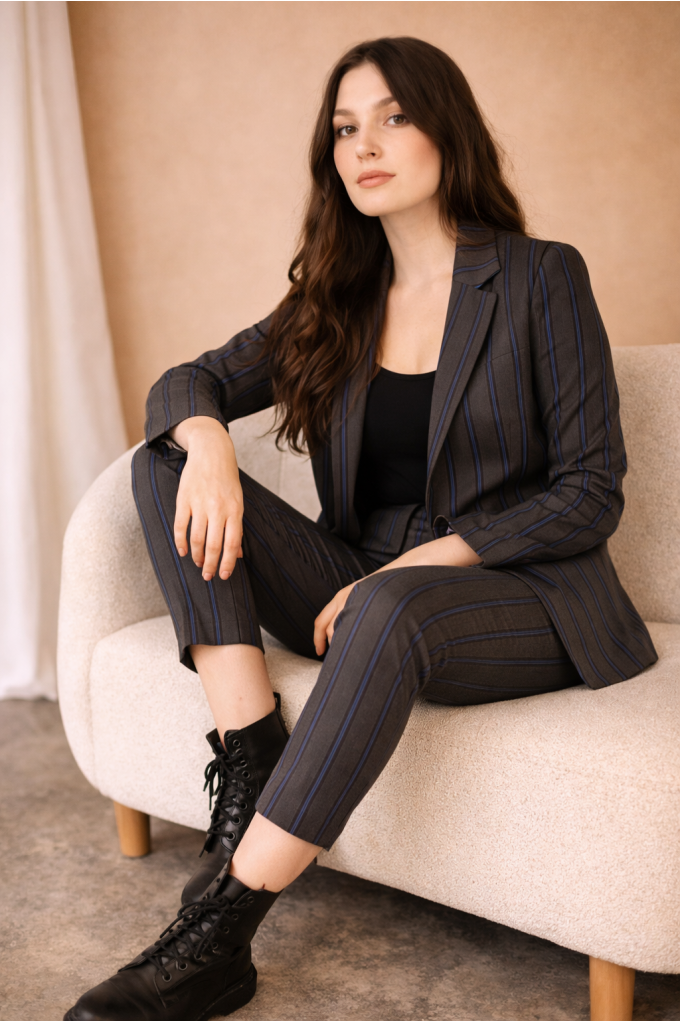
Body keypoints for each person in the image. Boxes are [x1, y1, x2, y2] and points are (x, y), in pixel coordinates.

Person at [64, 35, 656, 1022]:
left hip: (521, 594)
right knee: (162, 457)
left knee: (390, 605)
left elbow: (590, 492)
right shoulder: (336, 296)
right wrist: (208, 442)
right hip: (362, 575)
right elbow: (186, 382)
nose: (364, 145)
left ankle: (220, 931)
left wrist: (416, 565)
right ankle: (249, 753)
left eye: (393, 116)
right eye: (345, 128)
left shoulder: (538, 278)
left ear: (445, 131)